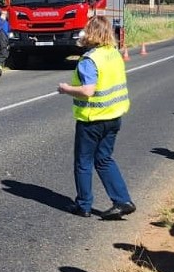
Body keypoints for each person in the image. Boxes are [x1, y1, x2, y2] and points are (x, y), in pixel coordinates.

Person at [57, 15, 136, 220]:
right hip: (114, 116)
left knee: (83, 162)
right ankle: (122, 200)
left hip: (92, 119)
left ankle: (83, 204)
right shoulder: (114, 54)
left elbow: (87, 90)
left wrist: (66, 89)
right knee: (104, 159)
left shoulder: (89, 60)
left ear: (91, 33)